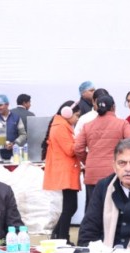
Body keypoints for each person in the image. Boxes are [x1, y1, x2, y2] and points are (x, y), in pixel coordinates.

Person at [74, 94, 130, 208]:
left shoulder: (87, 126)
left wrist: (87, 160)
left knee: (93, 209)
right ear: (113, 107)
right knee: (114, 208)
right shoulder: (122, 124)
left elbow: (77, 148)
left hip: (93, 173)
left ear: (96, 107)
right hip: (114, 173)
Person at [42, 101, 81, 244]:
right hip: (65, 170)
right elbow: (70, 149)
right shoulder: (60, 127)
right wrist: (82, 142)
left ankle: (57, 235)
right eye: (77, 115)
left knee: (70, 206)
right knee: (70, 207)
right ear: (67, 113)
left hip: (66, 170)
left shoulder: (60, 125)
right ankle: (63, 238)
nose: (77, 119)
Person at [0, 94, 27, 161]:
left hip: (13, 156)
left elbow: (23, 134)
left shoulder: (16, 118)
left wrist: (14, 144)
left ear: (7, 105)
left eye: (0, 105)